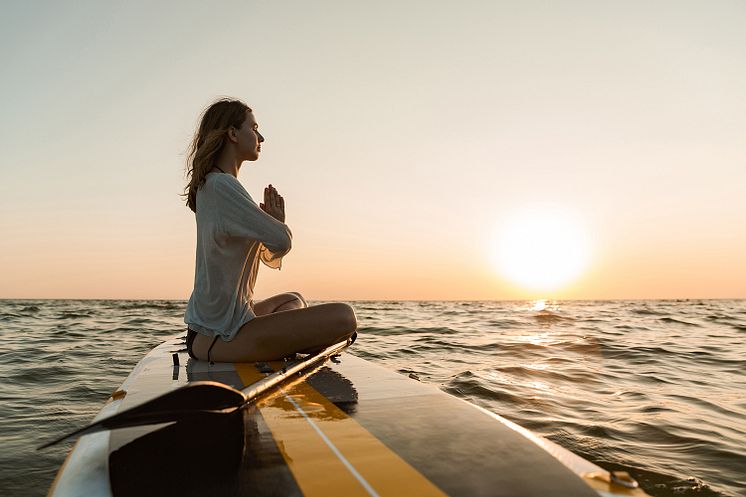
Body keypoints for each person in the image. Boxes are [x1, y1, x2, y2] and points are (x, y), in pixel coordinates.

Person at [182, 97, 357, 362]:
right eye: (253, 129)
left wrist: (272, 225)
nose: (260, 137)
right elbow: (281, 240)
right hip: (220, 337)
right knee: (345, 316)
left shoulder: (218, 185)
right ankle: (292, 343)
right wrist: (277, 222)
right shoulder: (221, 186)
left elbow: (271, 251)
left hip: (220, 328)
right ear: (232, 134)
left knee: (292, 299)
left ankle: (287, 341)